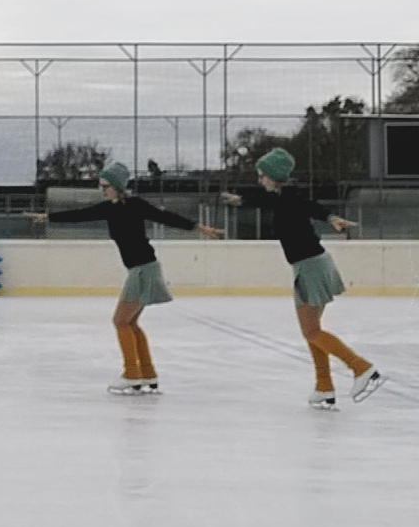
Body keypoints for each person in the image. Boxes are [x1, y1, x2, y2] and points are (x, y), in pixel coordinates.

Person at [25, 162, 222, 395]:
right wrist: (48, 217)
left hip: (143, 269)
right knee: (130, 323)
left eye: (106, 186)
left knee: (120, 322)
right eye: (101, 187)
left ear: (117, 186)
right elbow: (80, 214)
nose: (103, 190)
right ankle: (147, 373)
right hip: (140, 269)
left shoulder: (135, 205)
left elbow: (164, 216)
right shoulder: (109, 208)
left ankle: (131, 374)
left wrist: (199, 228)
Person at [221, 147, 384, 409]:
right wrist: (240, 200)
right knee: (312, 331)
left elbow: (310, 206)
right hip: (312, 264)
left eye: (262, 176)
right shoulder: (282, 197)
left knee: (311, 331)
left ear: (273, 177)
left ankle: (361, 368)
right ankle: (324, 386)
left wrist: (331, 217)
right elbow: (267, 201)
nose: (260, 180)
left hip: (310, 267)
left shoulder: (290, 198)